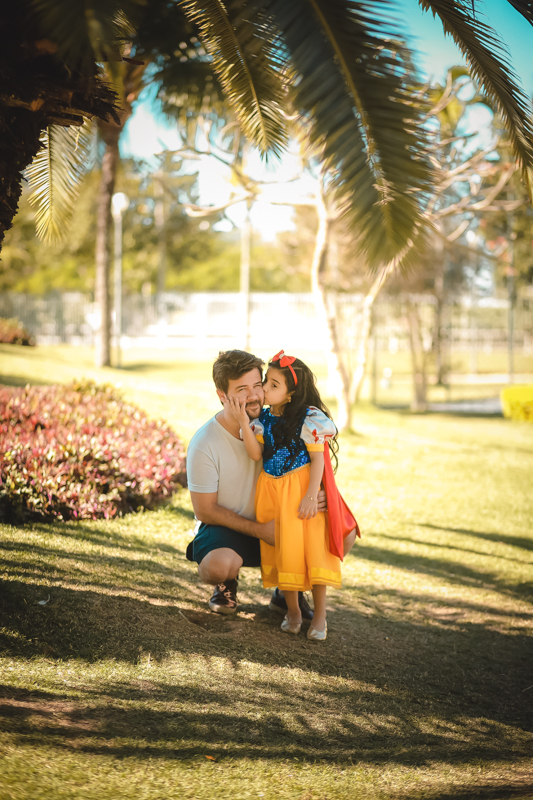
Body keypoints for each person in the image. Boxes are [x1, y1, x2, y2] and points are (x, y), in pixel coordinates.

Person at [186, 349, 357, 620]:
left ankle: (287, 589)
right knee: (218, 566)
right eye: (242, 389)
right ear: (222, 396)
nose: (255, 395)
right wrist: (260, 531)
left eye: (258, 384)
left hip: (282, 522)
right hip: (231, 527)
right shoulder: (205, 443)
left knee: (345, 531)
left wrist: (321, 495)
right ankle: (226, 583)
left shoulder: (282, 424)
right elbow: (205, 510)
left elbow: (312, 463)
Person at [229, 350, 359, 641]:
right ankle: (293, 612)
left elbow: (317, 461)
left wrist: (312, 496)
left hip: (300, 491)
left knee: (314, 551)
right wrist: (241, 421)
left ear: (290, 394)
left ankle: (321, 616)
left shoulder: (310, 419)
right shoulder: (263, 419)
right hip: (271, 491)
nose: (264, 388)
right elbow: (255, 454)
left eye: (273, 385)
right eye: (266, 381)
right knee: (283, 550)